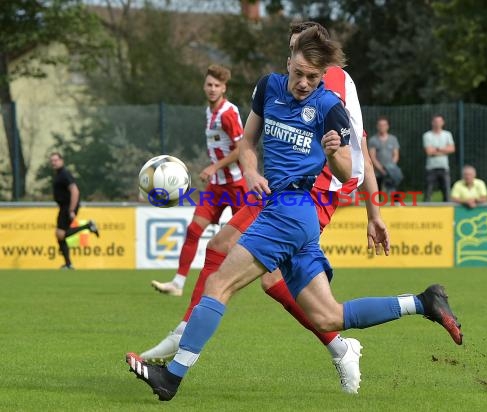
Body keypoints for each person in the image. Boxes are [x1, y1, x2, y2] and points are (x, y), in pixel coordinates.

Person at [126, 27, 462, 402]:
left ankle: (172, 374)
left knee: (219, 283)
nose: (303, 82)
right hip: (289, 211)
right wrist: (250, 171)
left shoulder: (330, 103)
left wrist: (339, 160)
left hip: (293, 209)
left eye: (312, 76)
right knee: (327, 316)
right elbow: (248, 144)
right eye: (298, 70)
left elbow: (350, 166)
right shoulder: (269, 87)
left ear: (322, 71)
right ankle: (422, 302)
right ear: (289, 59)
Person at [150, 65, 248, 296]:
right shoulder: (209, 111)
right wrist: (214, 170)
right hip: (216, 186)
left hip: (237, 185)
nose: (212, 89)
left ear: (224, 88)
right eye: (209, 85)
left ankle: (281, 278)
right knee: (194, 230)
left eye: (217, 85)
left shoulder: (228, 113)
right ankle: (177, 284)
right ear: (204, 86)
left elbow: (242, 148)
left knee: (252, 238)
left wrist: (214, 166)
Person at [50, 152, 99, 269]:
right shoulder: (59, 174)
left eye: (56, 160)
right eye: (52, 161)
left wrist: (71, 209)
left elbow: (75, 191)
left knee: (60, 234)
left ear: (62, 161)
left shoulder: (64, 174)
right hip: (63, 207)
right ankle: (68, 264)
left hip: (68, 207)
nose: (54, 162)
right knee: (59, 235)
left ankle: (88, 226)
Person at [423, 114, 455, 202]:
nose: (437, 123)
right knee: (428, 192)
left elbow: (452, 149)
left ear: (443, 123)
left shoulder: (447, 134)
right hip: (431, 168)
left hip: (444, 167)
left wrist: (437, 149)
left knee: (446, 192)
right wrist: (444, 150)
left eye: (439, 121)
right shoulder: (427, 135)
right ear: (432, 123)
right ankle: (425, 210)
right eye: (435, 121)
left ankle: (447, 211)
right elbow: (429, 152)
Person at [368, 116, 401, 195]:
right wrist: (381, 169)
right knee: (376, 194)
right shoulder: (373, 140)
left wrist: (390, 168)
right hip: (377, 172)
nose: (382, 127)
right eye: (380, 125)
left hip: (391, 171)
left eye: (384, 125)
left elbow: (396, 155)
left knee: (394, 192)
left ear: (388, 126)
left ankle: (397, 206)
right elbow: (372, 157)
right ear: (377, 126)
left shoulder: (393, 139)